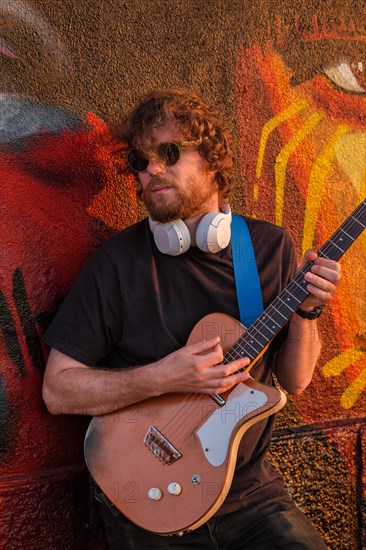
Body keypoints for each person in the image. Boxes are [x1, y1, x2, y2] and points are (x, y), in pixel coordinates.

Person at [42, 88, 341, 549]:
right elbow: (58, 390)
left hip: (251, 496)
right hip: (148, 497)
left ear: (212, 161)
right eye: (140, 162)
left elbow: (294, 381)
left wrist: (307, 311)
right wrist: (164, 376)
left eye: (167, 153)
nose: (152, 171)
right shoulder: (117, 264)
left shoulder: (265, 248)